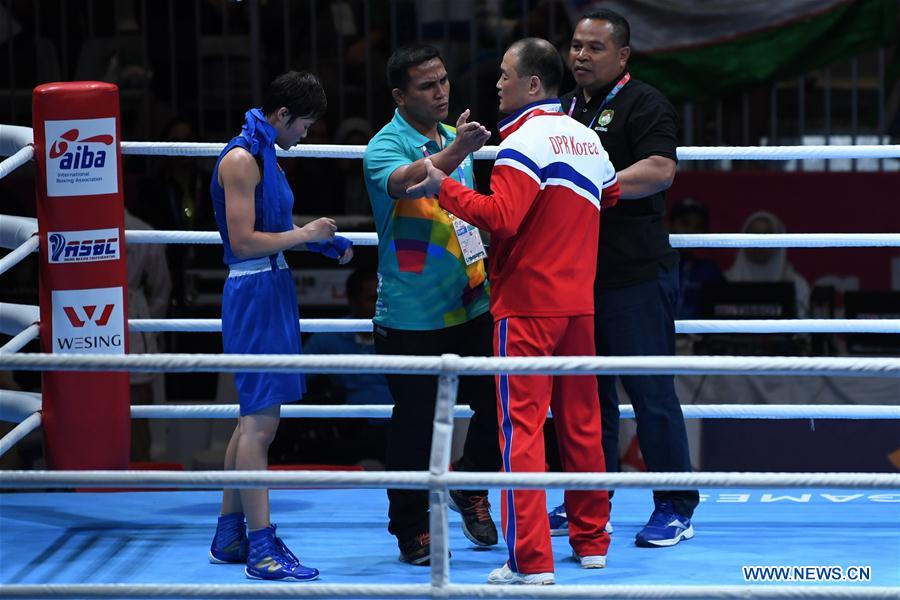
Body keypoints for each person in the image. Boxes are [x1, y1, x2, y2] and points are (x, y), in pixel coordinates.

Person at [407, 37, 620, 586]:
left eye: (504, 75)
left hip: (527, 307)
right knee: (583, 423)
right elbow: (611, 194)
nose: (496, 83)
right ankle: (592, 543)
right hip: (579, 305)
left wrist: (444, 186)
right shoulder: (587, 140)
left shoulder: (524, 140)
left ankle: (531, 561)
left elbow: (501, 217)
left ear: (531, 84)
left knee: (521, 433)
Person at [547, 8, 699, 548]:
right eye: (576, 46)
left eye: (594, 47)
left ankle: (675, 506)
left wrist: (598, 186)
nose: (581, 55)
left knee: (650, 391)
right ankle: (592, 501)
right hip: (575, 274)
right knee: (588, 395)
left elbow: (660, 169)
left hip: (634, 275)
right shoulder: (562, 109)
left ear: (622, 56)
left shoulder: (645, 102)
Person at [207, 71, 353, 582]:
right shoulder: (242, 159)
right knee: (260, 426)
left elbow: (274, 228)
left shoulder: (266, 152)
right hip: (253, 292)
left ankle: (229, 535)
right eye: (305, 125)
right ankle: (261, 550)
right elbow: (243, 242)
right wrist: (304, 234)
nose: (306, 136)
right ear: (283, 116)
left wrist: (316, 240)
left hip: (272, 288)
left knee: (251, 418)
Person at [362, 44, 501, 565]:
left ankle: (469, 484)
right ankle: (410, 528)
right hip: (411, 315)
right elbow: (410, 182)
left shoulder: (451, 138)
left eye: (443, 80)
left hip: (471, 304)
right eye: (427, 85)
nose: (441, 91)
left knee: (501, 401)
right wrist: (459, 151)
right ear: (401, 95)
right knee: (415, 424)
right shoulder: (383, 146)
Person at [301, 268, 393, 468]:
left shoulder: (399, 334)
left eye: (383, 298)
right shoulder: (330, 335)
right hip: (346, 430)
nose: (380, 305)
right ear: (352, 302)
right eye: (372, 298)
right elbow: (296, 377)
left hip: (397, 427)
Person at [123, 207, 172, 462]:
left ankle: (140, 490)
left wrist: (149, 328)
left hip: (134, 331)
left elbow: (161, 289)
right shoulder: (76, 227)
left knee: (137, 425)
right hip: (84, 327)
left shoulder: (143, 232)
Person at [726, 211, 811, 317]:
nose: (758, 242)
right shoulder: (725, 281)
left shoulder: (797, 285)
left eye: (765, 235)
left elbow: (803, 330)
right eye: (753, 235)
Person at [668, 197, 724, 320]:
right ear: (670, 226)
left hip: (697, 336)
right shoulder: (656, 267)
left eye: (698, 226)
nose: (691, 231)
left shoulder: (710, 270)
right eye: (685, 223)